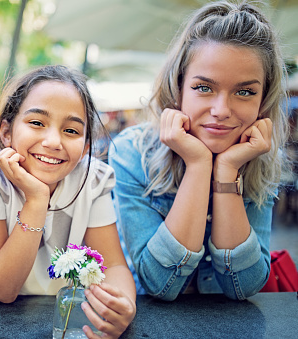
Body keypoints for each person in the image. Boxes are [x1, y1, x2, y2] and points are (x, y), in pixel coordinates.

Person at [109, 0, 290, 301]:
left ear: (263, 99)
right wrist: (197, 166)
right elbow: (159, 283)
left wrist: (227, 171)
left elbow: (243, 287)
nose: (221, 110)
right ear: (178, 86)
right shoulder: (131, 153)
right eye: (204, 88)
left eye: (244, 92)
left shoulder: (261, 156)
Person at [0, 65, 136, 338]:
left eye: (71, 131)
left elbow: (113, 266)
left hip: (66, 320)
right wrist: (36, 199)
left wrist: (123, 305)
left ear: (86, 146)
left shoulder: (94, 178)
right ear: (6, 132)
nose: (54, 141)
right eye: (37, 123)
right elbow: (3, 290)